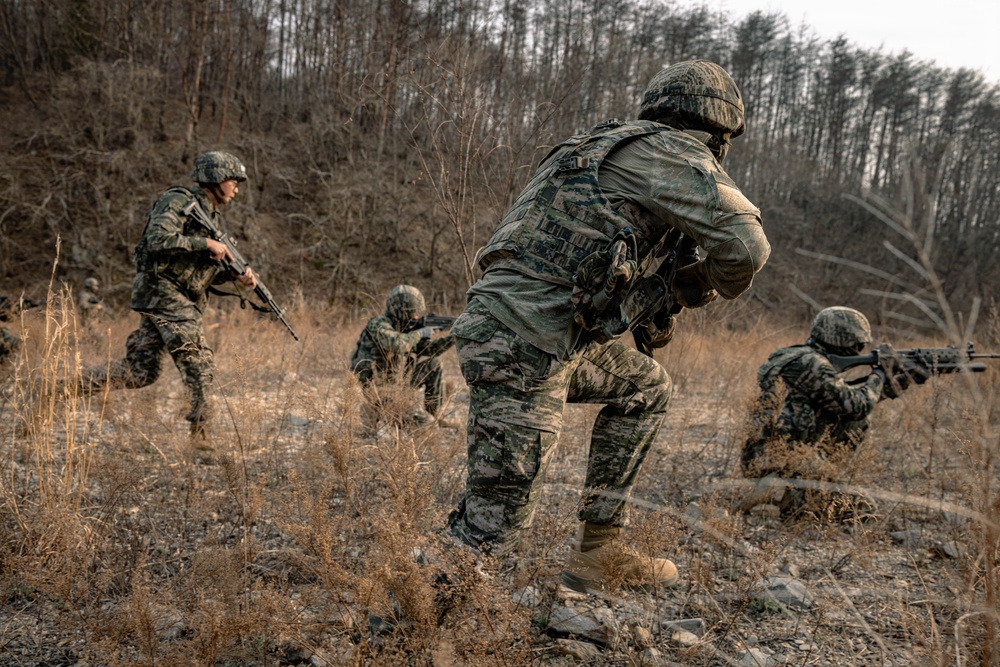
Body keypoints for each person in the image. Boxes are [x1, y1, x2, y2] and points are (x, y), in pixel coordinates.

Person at [445, 60, 770, 593]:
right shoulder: (672, 151)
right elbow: (746, 247)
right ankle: (394, 627)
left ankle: (600, 550)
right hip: (525, 343)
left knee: (646, 387)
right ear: (717, 132)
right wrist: (690, 286)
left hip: (526, 332)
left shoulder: (594, 146)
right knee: (491, 535)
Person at [76, 151, 256, 438]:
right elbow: (157, 240)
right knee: (197, 359)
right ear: (217, 179)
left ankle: (56, 389)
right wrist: (205, 242)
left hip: (171, 294)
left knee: (140, 372)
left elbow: (195, 268)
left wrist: (233, 275)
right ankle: (202, 440)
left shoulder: (208, 213)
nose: (237, 188)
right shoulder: (179, 200)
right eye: (234, 181)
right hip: (162, 291)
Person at [740, 307, 913, 517]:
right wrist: (878, 375)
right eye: (858, 345)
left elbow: (836, 402)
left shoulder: (795, 356)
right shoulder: (814, 364)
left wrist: (889, 388)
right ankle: (780, 495)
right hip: (784, 459)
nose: (860, 349)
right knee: (862, 508)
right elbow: (857, 406)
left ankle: (779, 489)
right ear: (847, 341)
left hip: (765, 455)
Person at [350, 285, 455, 429]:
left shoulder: (408, 330)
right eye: (412, 313)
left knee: (434, 364)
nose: (417, 317)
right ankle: (374, 414)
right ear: (400, 312)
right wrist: (420, 333)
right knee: (426, 425)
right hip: (378, 390)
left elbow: (429, 350)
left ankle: (435, 415)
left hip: (398, 385)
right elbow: (398, 344)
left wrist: (454, 337)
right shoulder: (378, 324)